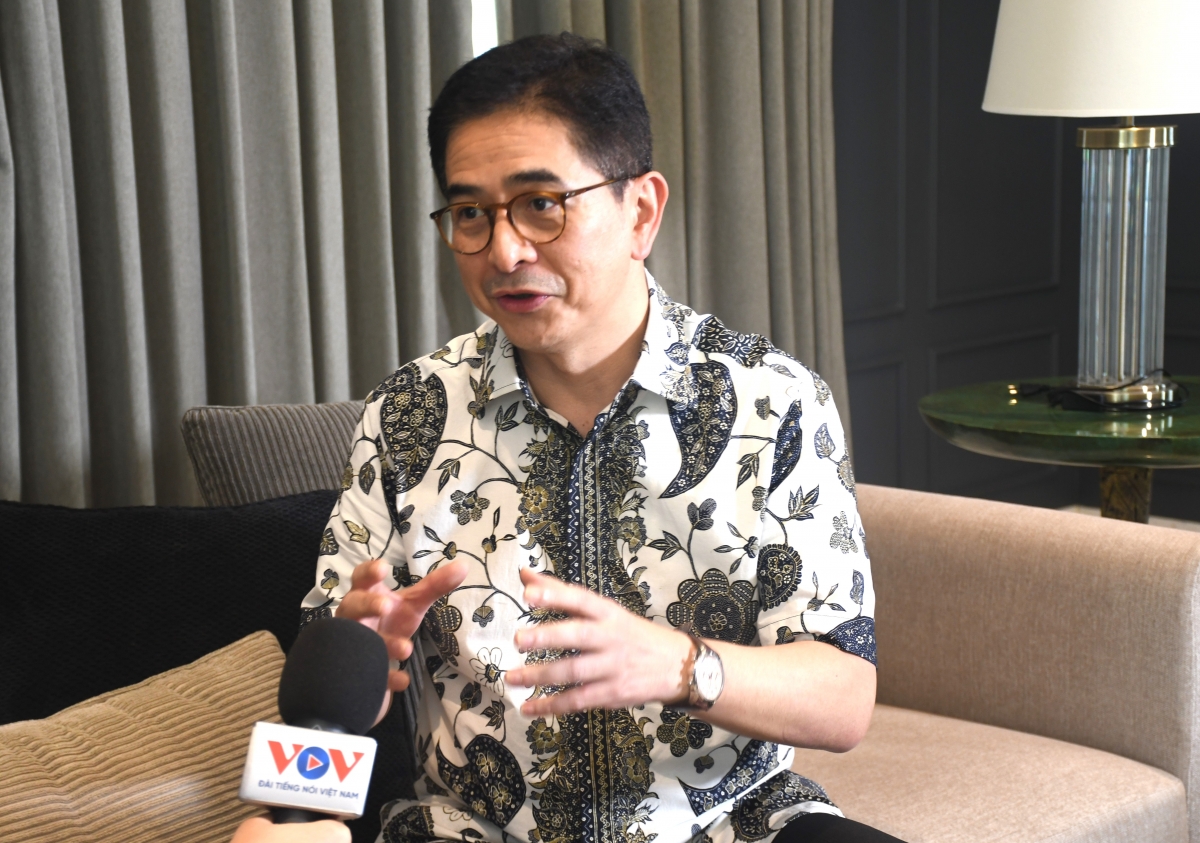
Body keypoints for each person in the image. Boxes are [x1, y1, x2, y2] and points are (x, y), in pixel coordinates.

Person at [288, 32, 891, 843]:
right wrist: (363, 660)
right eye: (471, 213)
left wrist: (681, 664)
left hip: (730, 827)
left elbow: (844, 699)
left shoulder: (774, 401)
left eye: (541, 204)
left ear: (640, 211)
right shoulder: (407, 416)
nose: (504, 251)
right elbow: (321, 714)